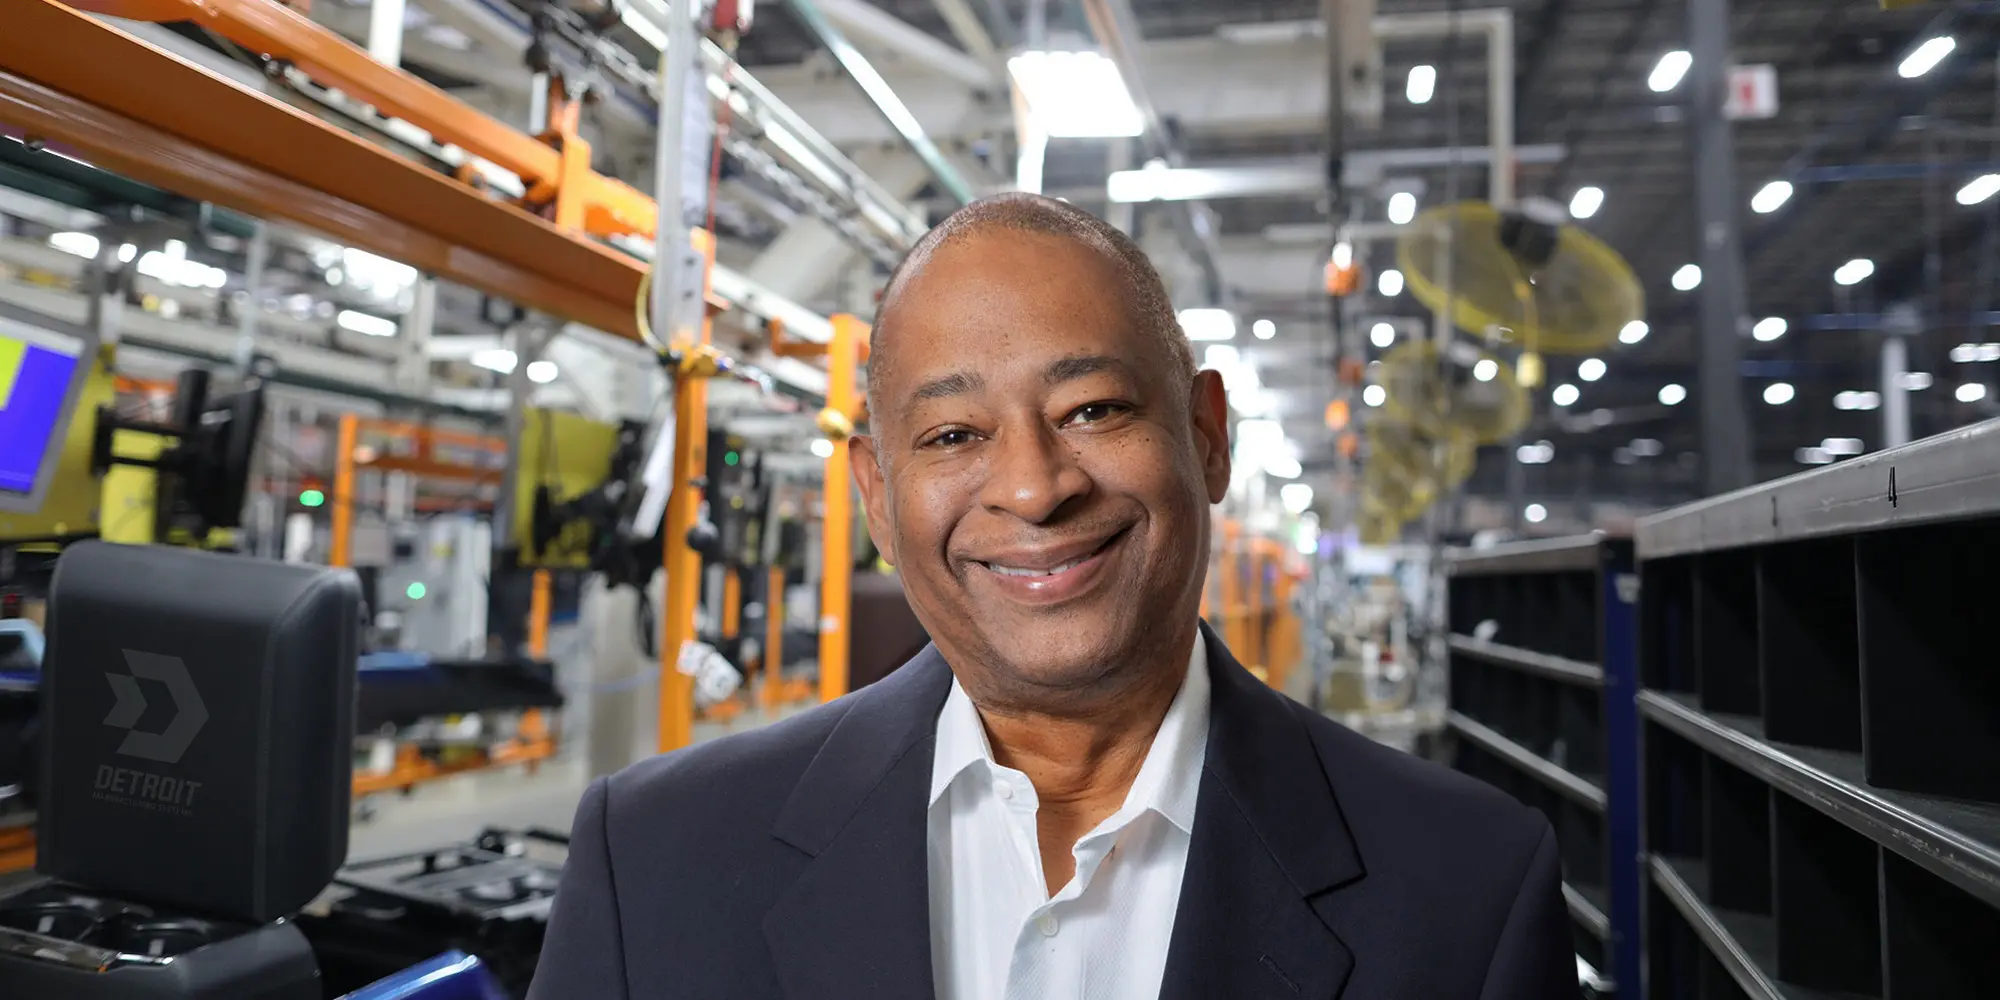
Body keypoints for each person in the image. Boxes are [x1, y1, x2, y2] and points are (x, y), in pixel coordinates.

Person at [529, 194, 1575, 1000]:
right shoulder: (653, 860)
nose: (1034, 487)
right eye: (952, 434)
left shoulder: (1467, 885)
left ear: (1206, 436)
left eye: (1092, 409)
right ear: (877, 497)